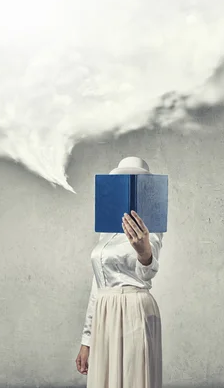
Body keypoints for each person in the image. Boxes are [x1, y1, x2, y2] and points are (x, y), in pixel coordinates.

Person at [75, 156, 164, 388]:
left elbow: (147, 272)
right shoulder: (106, 230)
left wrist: (144, 253)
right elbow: (98, 285)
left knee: (133, 379)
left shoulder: (151, 227)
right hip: (105, 312)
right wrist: (87, 340)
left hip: (134, 309)